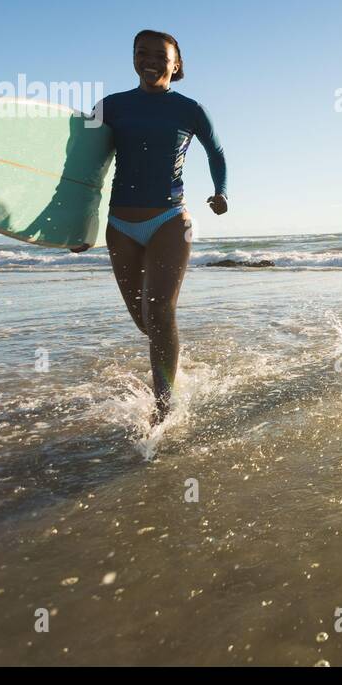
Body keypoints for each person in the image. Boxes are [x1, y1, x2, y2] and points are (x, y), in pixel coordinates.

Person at [75, 29, 228, 424]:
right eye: (141, 53)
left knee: (159, 313)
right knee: (145, 320)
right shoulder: (110, 107)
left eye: (160, 55)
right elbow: (82, 166)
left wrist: (220, 191)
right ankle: (175, 368)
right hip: (120, 223)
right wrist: (78, 223)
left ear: (176, 64)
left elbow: (217, 151)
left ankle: (164, 408)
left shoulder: (189, 109)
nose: (150, 60)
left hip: (170, 220)